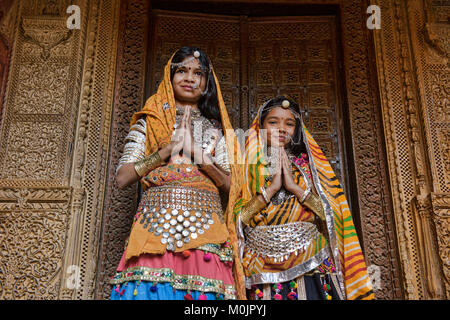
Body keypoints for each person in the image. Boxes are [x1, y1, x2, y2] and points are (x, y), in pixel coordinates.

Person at [110, 47, 245, 300]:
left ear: (207, 84)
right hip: (154, 230)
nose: (189, 77)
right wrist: (167, 150)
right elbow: (122, 178)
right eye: (181, 70)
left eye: (198, 73)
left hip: (205, 233)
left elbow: (231, 185)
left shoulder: (218, 130)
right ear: (169, 77)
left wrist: (197, 153)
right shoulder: (150, 123)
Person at [234, 96, 374, 300]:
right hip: (260, 265)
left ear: (297, 129)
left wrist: (294, 187)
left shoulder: (309, 166)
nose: (281, 128)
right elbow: (238, 220)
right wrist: (271, 189)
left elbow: (331, 216)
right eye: (273, 122)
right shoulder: (247, 169)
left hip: (312, 258)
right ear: (260, 126)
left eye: (289, 123)